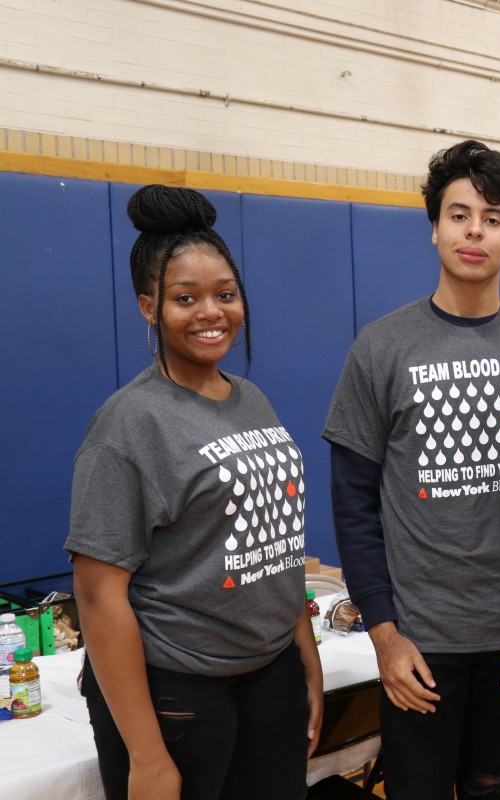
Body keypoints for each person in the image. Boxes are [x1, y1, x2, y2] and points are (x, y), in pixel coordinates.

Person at [66, 184, 323, 799]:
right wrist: (148, 757)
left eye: (225, 294)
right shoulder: (128, 424)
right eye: (185, 298)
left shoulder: (250, 398)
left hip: (268, 675)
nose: (211, 312)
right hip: (178, 689)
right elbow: (100, 597)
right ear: (148, 307)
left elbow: (278, 544)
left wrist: (304, 659)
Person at [323, 140, 500, 800]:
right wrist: (385, 636)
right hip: (420, 644)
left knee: (492, 790)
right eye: (459, 214)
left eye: (493, 217)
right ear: (434, 228)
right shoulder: (381, 347)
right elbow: (354, 503)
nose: (474, 231)